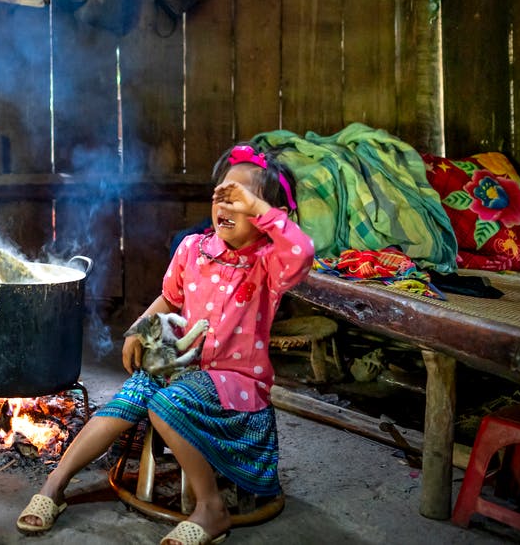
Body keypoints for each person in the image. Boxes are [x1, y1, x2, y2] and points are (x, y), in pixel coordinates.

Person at [17, 143, 314, 545]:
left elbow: (302, 251)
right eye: (223, 195)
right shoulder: (193, 250)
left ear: (268, 215)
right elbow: (169, 299)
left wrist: (258, 209)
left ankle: (210, 509)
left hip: (235, 382)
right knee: (129, 397)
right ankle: (55, 484)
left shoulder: (268, 263)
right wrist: (139, 329)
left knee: (166, 404)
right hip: (183, 367)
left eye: (242, 200)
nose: (227, 206)